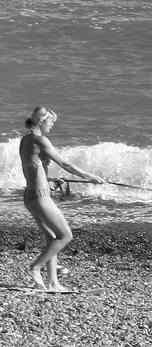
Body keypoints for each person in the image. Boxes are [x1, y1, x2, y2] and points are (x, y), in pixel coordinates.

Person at [18, 106, 106, 291]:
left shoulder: (25, 140)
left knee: (52, 239)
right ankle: (35, 268)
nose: (52, 126)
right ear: (42, 121)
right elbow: (64, 163)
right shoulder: (41, 140)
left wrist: (49, 179)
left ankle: (53, 283)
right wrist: (90, 177)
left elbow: (31, 169)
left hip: (29, 196)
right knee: (65, 236)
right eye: (51, 122)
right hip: (41, 197)